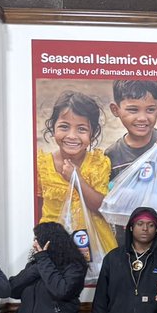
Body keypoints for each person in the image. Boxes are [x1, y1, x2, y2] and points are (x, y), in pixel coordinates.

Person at [36, 90, 117, 258]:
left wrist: (77, 179)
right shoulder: (42, 165)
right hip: (54, 246)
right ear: (53, 128)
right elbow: (37, 206)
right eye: (64, 127)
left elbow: (101, 207)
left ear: (92, 133)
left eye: (81, 129)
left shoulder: (98, 163)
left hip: (96, 247)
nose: (72, 136)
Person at [105, 78, 157, 244]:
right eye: (133, 110)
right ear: (115, 109)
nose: (142, 118)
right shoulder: (112, 154)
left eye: (150, 110)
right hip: (128, 239)